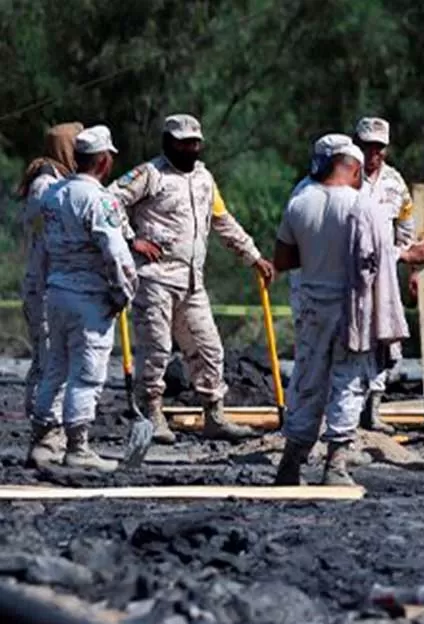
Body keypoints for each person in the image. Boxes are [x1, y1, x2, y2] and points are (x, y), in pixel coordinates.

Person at [109, 114, 275, 445]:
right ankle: (152, 414)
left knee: (208, 348)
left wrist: (253, 255)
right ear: (168, 142)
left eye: (195, 143)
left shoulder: (204, 179)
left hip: (192, 282)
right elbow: (110, 200)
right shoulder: (150, 174)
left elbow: (222, 220)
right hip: (155, 278)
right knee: (156, 349)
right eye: (184, 143)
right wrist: (131, 239)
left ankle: (214, 415)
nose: (191, 149)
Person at [272, 137, 380, 486]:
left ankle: (290, 464)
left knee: (307, 379)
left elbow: (283, 259)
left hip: (311, 304)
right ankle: (335, 466)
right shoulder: (362, 205)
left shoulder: (299, 202)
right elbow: (376, 261)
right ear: (354, 167)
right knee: (348, 382)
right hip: (351, 307)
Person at [29, 125, 137, 471]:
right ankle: (78, 446)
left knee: (55, 368)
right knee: (86, 373)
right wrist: (123, 293)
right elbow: (116, 253)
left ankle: (44, 439)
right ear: (104, 161)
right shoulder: (100, 199)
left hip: (56, 292)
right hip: (90, 296)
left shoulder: (52, 194)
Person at [352, 117, 424, 433]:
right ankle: (345, 415)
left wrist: (413, 270)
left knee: (387, 345)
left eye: (378, 148)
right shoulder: (343, 177)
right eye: (367, 147)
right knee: (351, 345)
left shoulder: (394, 183)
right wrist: (404, 255)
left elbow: (406, 232)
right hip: (349, 279)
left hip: (383, 280)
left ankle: (372, 411)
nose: (372, 154)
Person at [17, 122, 84, 430]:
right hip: (43, 283)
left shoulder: (60, 179)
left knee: (49, 357)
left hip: (53, 281)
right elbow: (44, 223)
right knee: (49, 358)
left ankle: (40, 415)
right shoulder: (45, 183)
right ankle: (44, 424)